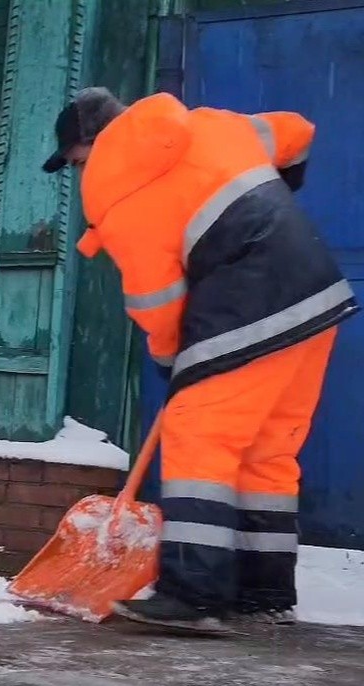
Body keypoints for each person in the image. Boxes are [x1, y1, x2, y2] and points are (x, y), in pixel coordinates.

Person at [42, 87, 359, 632]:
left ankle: (195, 594)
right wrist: (275, 208)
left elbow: (156, 302)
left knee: (196, 433)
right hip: (316, 293)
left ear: (91, 144)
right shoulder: (212, 124)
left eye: (75, 161)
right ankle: (265, 592)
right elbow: (296, 130)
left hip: (245, 304)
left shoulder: (118, 193)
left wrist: (171, 362)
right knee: (266, 451)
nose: (78, 172)